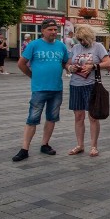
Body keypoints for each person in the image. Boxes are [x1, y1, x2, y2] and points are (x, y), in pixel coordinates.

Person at [13, 18, 69, 162]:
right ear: (43, 31)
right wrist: (32, 75)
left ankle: (45, 144)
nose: (53, 32)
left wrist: (70, 67)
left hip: (56, 88)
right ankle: (24, 149)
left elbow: (65, 62)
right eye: (50, 30)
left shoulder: (61, 46)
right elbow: (21, 63)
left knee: (52, 118)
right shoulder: (34, 45)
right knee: (32, 118)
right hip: (39, 89)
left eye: (55, 30)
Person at [66, 24, 110, 157]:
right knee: (78, 117)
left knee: (93, 117)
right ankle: (80, 145)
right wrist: (70, 68)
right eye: (79, 40)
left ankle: (93, 146)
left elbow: (108, 63)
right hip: (76, 85)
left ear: (90, 37)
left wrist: (94, 66)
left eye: (84, 39)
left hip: (91, 86)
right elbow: (68, 63)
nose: (82, 42)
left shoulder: (98, 47)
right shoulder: (75, 48)